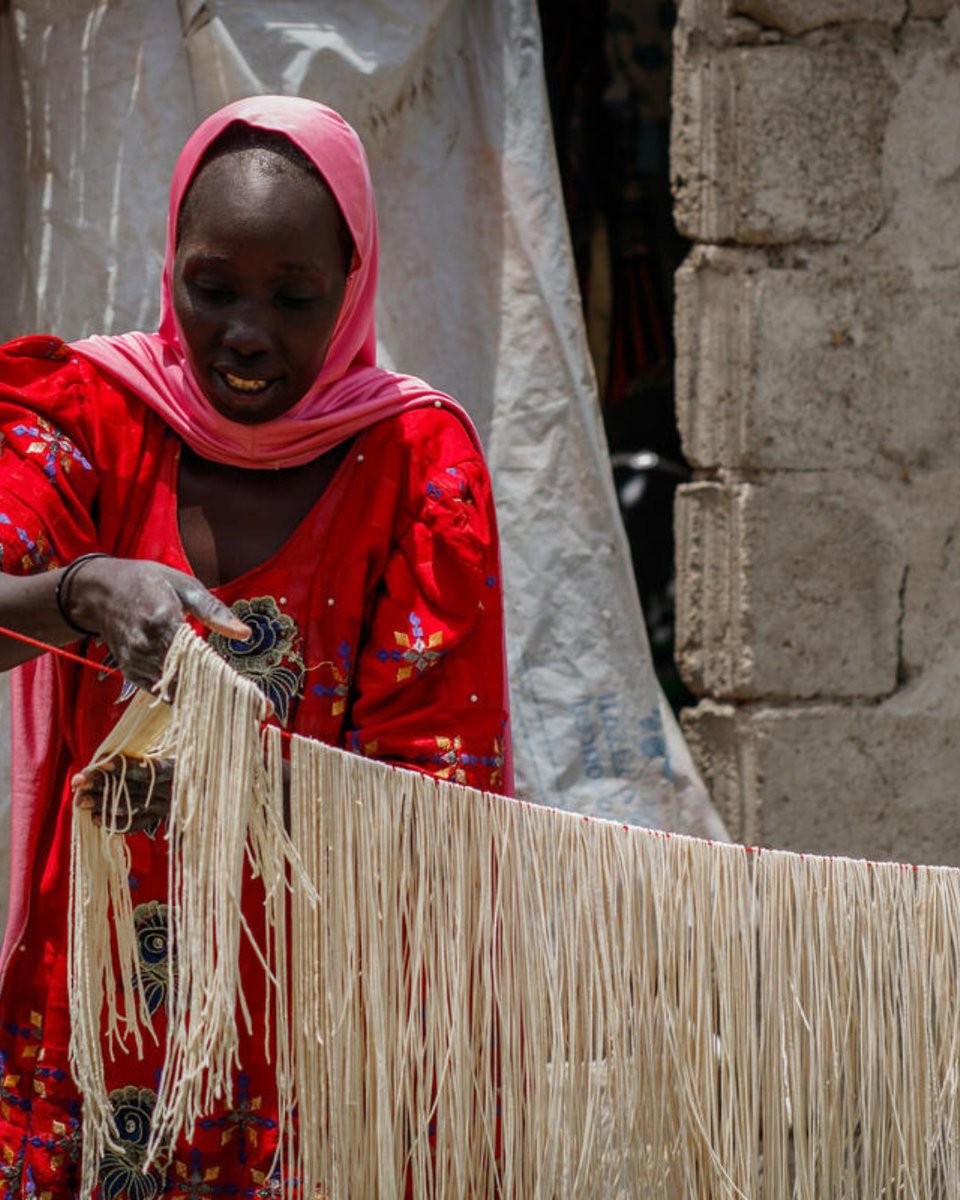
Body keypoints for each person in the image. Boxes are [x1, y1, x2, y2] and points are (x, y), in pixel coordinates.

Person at [0, 96, 511, 1195]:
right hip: (91, 1015)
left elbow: (440, 796)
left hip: (314, 1029)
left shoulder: (416, 466)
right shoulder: (93, 414)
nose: (244, 332)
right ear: (170, 266)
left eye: (293, 299)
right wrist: (82, 588)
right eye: (212, 289)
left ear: (355, 286)